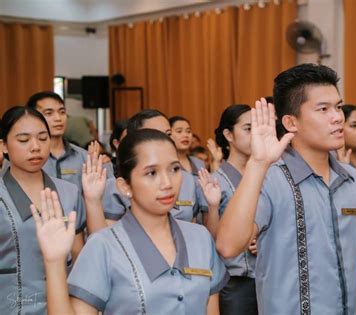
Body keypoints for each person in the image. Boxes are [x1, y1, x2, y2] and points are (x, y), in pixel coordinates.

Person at [216, 64, 356, 314]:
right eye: (323, 109)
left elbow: (354, 258)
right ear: (291, 122)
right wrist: (257, 164)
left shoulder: (351, 177)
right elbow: (228, 246)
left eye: (338, 107)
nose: (338, 117)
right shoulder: (270, 178)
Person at [32, 128, 229, 314]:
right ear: (125, 186)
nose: (167, 183)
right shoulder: (103, 246)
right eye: (151, 173)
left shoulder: (200, 237)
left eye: (174, 169)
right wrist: (54, 262)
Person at [0, 106, 86, 314]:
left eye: (42, 138)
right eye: (23, 140)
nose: (35, 147)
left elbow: (79, 258)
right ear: (3, 145)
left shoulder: (69, 192)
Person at [200, 104, 258, 314]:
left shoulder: (268, 176)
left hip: (269, 275)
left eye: (258, 128)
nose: (255, 135)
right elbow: (213, 241)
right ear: (228, 134)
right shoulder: (215, 182)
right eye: (248, 128)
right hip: (235, 281)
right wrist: (213, 207)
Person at [26, 92, 114, 191]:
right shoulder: (27, 159)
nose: (58, 118)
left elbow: (111, 198)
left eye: (62, 112)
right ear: (32, 117)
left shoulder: (85, 158)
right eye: (49, 113)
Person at [169, 116, 207, 222]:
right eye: (179, 131)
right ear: (169, 134)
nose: (185, 135)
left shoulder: (199, 163)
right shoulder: (167, 165)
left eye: (188, 131)